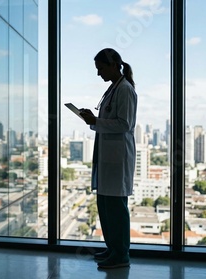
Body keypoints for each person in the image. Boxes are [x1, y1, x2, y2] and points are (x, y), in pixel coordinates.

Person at [79, 48, 137, 269]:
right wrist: (92, 119)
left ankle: (121, 254)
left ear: (114, 65)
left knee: (116, 209)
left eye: (101, 68)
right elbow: (108, 121)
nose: (99, 74)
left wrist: (95, 120)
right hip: (107, 157)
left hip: (118, 159)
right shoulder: (113, 89)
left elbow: (125, 124)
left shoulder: (125, 90)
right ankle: (112, 248)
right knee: (104, 205)